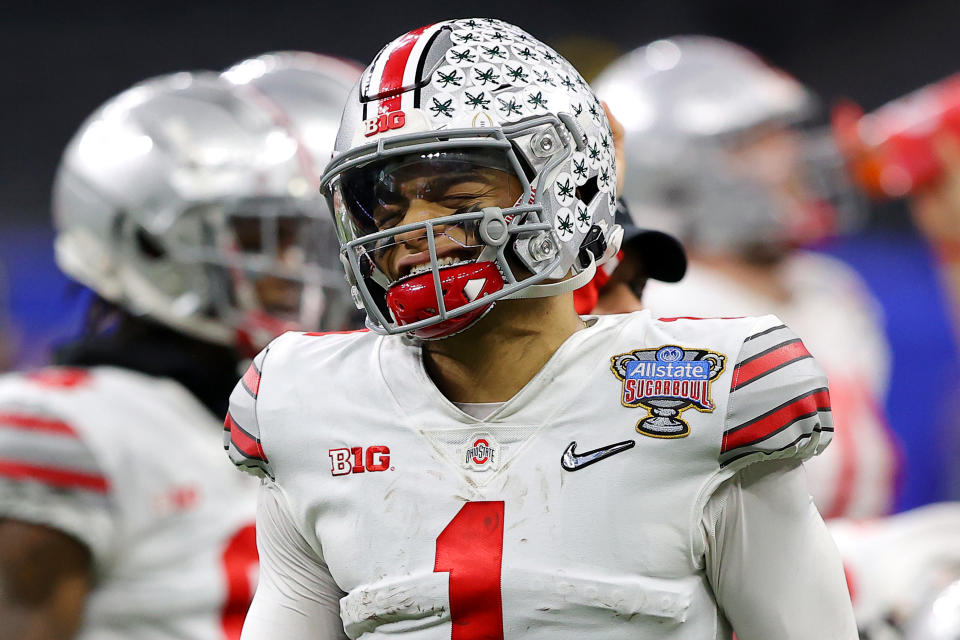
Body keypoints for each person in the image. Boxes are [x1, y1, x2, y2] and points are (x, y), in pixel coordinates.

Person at [226, 18, 856, 640]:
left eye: (458, 195)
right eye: (386, 205)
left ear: (568, 188)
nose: (409, 231)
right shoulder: (304, 404)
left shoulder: (710, 388)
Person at [0, 63, 354, 640]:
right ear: (148, 239)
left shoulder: (291, 412)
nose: (290, 271)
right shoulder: (62, 427)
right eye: (252, 239)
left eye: (295, 240)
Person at [595, 36, 900, 519]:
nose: (795, 157)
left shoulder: (832, 291)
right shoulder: (660, 315)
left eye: (786, 134)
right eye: (759, 143)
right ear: (676, 173)